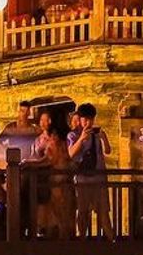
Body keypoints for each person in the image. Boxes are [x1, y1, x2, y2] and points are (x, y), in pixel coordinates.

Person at [68, 102, 112, 237]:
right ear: (80, 119)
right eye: (85, 119)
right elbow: (70, 154)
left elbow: (108, 151)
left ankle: (111, 242)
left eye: (90, 119)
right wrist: (81, 139)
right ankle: (82, 241)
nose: (88, 123)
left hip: (99, 179)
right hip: (82, 180)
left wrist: (104, 138)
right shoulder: (73, 135)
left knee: (104, 213)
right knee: (83, 213)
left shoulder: (96, 133)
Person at [32, 108, 73, 238]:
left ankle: (62, 236)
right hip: (49, 179)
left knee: (59, 209)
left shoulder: (56, 140)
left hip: (57, 178)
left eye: (47, 119)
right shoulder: (40, 140)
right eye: (42, 120)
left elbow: (51, 159)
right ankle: (54, 234)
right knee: (53, 209)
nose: (44, 122)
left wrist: (31, 164)